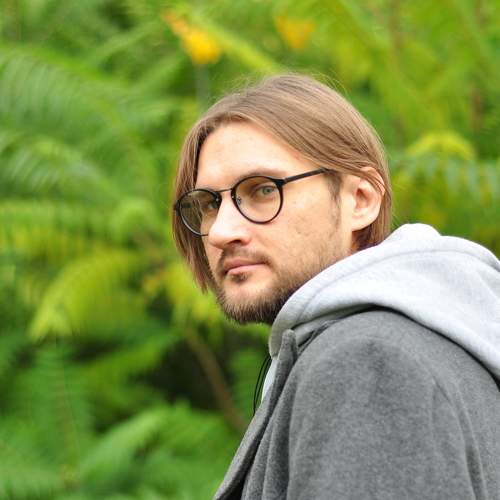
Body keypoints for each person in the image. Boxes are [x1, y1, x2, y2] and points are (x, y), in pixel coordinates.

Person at [171, 74, 500, 499]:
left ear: (360, 199)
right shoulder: (421, 346)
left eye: (263, 190)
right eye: (210, 204)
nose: (220, 231)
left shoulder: (367, 363)